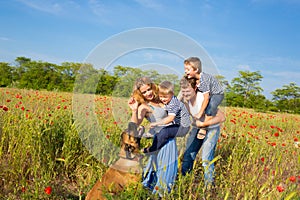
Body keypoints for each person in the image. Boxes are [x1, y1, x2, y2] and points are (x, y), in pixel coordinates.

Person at [127, 77, 178, 196]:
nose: (148, 93)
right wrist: (134, 111)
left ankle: (159, 194)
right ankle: (159, 195)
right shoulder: (144, 106)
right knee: (163, 170)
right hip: (160, 140)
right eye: (144, 92)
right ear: (140, 94)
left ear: (152, 87)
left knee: (168, 169)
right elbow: (135, 124)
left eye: (149, 89)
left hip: (170, 138)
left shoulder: (162, 98)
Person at [179, 76, 225, 190]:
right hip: (196, 128)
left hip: (212, 129)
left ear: (195, 88)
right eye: (183, 89)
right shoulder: (185, 101)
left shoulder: (203, 99)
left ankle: (209, 188)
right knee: (188, 155)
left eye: (188, 89)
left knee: (206, 160)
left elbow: (222, 117)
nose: (185, 92)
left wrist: (203, 125)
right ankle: (184, 182)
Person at [143, 80, 191, 153]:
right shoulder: (171, 100)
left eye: (165, 97)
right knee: (161, 131)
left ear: (172, 94)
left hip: (183, 127)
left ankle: (153, 149)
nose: (162, 99)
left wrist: (156, 123)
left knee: (164, 132)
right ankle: (153, 138)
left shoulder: (173, 104)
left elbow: (170, 118)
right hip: (178, 125)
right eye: (160, 96)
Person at [184, 57, 224, 139]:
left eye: (188, 69)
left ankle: (204, 128)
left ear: (196, 70)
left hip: (217, 93)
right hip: (210, 93)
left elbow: (206, 98)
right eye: (185, 69)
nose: (185, 71)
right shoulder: (197, 81)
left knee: (210, 106)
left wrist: (200, 113)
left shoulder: (203, 80)